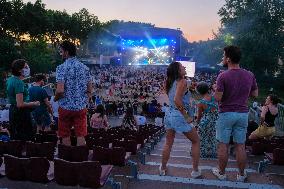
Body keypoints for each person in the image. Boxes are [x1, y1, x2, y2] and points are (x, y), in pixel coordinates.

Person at [213, 46, 258, 182]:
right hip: (242, 114)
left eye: (223, 56)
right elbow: (255, 94)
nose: (222, 58)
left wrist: (216, 89)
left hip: (226, 113)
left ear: (228, 58)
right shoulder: (249, 75)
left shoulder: (223, 75)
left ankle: (221, 173)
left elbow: (218, 98)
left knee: (223, 145)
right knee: (240, 145)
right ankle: (241, 174)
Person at [161, 62, 201, 178]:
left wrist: (189, 88)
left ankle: (162, 168)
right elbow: (177, 100)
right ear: (178, 71)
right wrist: (187, 115)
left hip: (169, 113)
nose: (184, 67)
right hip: (179, 115)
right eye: (182, 67)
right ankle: (195, 171)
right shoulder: (182, 81)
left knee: (168, 142)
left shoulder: (169, 82)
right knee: (196, 141)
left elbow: (177, 95)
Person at [55, 41, 93, 146]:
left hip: (65, 107)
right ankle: (80, 158)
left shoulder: (61, 68)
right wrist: (85, 98)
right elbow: (90, 89)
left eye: (61, 51)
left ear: (66, 52)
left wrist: (55, 98)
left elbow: (60, 90)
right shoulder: (85, 68)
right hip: (80, 107)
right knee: (80, 134)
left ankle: (67, 159)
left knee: (65, 134)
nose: (61, 54)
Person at [6, 59, 40, 141]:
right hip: (21, 114)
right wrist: (34, 103)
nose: (28, 68)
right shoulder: (19, 82)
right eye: (25, 67)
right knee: (26, 139)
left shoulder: (10, 80)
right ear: (19, 69)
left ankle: (16, 153)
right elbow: (20, 104)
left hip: (13, 112)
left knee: (16, 138)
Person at [196, 82, 218, 158]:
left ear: (199, 91)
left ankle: (203, 153)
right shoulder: (214, 98)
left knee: (202, 138)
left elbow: (199, 116)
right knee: (212, 138)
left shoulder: (201, 103)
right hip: (214, 122)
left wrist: (197, 124)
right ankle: (213, 153)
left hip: (204, 122)